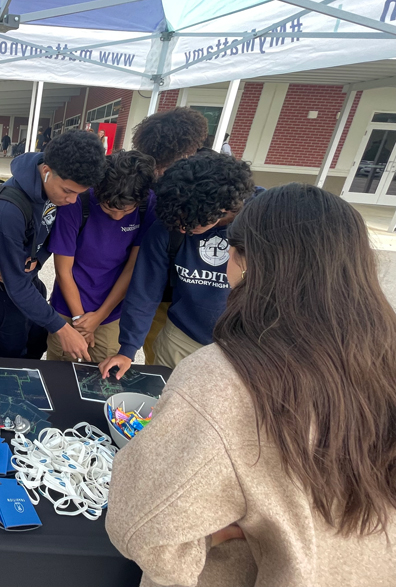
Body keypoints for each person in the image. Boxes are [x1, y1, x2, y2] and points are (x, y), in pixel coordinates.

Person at [106, 183, 396, 586]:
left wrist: (219, 534)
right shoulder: (384, 357)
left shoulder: (221, 378)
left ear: (246, 262)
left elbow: (141, 528)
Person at [99, 151, 255, 376]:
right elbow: (145, 291)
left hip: (243, 347)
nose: (181, 228)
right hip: (181, 337)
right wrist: (128, 349)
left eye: (189, 224)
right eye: (176, 222)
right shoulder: (167, 228)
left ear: (221, 210)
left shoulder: (262, 225)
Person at [0, 130, 106, 360]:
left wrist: (38, 259)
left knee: (35, 347)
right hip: (5, 292)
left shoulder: (62, 182)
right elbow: (15, 285)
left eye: (78, 194)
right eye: (68, 192)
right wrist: (62, 328)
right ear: (47, 171)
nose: (71, 201)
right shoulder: (6, 210)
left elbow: (51, 233)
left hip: (31, 283)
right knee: (8, 356)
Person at [46, 151, 155, 363]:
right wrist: (81, 322)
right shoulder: (78, 202)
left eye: (126, 211)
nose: (117, 216)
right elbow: (63, 270)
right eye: (108, 208)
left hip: (111, 313)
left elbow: (133, 267)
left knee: (103, 380)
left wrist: (100, 316)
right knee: (58, 376)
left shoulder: (147, 205)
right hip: (68, 309)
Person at [130, 106, 210, 364]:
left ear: (189, 153)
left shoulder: (214, 183)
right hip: (156, 286)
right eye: (156, 165)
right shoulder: (149, 176)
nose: (159, 174)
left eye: (164, 166)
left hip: (197, 294)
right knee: (158, 358)